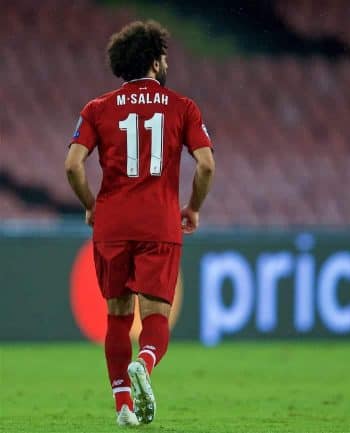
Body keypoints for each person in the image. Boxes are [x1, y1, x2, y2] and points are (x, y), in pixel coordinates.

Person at [64, 20, 214, 427]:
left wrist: (92, 205)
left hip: (111, 224)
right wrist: (193, 207)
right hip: (158, 223)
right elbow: (205, 165)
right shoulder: (183, 107)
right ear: (153, 59)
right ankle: (144, 363)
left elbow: (73, 166)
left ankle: (124, 409)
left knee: (116, 316)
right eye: (163, 56)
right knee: (155, 318)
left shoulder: (97, 109)